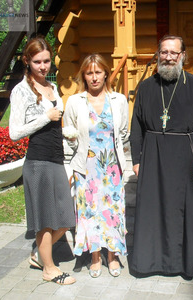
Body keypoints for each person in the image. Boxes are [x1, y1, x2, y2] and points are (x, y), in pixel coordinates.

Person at [130, 35, 193, 279]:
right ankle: (151, 261)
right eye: (164, 52)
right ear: (158, 54)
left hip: (186, 157)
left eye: (173, 53)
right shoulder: (145, 87)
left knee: (182, 210)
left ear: (183, 56)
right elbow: (136, 127)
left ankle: (183, 261)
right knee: (154, 209)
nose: (168, 57)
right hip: (153, 157)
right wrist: (136, 159)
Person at [9, 36, 76, 285]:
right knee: (45, 219)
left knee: (67, 217)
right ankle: (49, 269)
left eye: (47, 61)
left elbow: (57, 121)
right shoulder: (21, 91)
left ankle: (39, 255)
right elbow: (15, 132)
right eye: (37, 61)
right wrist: (46, 117)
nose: (43, 66)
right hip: (37, 162)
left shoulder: (52, 87)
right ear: (27, 61)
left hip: (56, 159)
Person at [63, 54, 129, 278]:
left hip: (112, 167)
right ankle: (94, 256)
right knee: (90, 211)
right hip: (87, 167)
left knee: (112, 211)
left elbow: (123, 132)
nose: (94, 77)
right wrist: (74, 146)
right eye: (89, 73)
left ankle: (112, 256)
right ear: (84, 75)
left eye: (98, 72)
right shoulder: (75, 101)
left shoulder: (118, 100)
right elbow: (68, 132)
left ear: (106, 73)